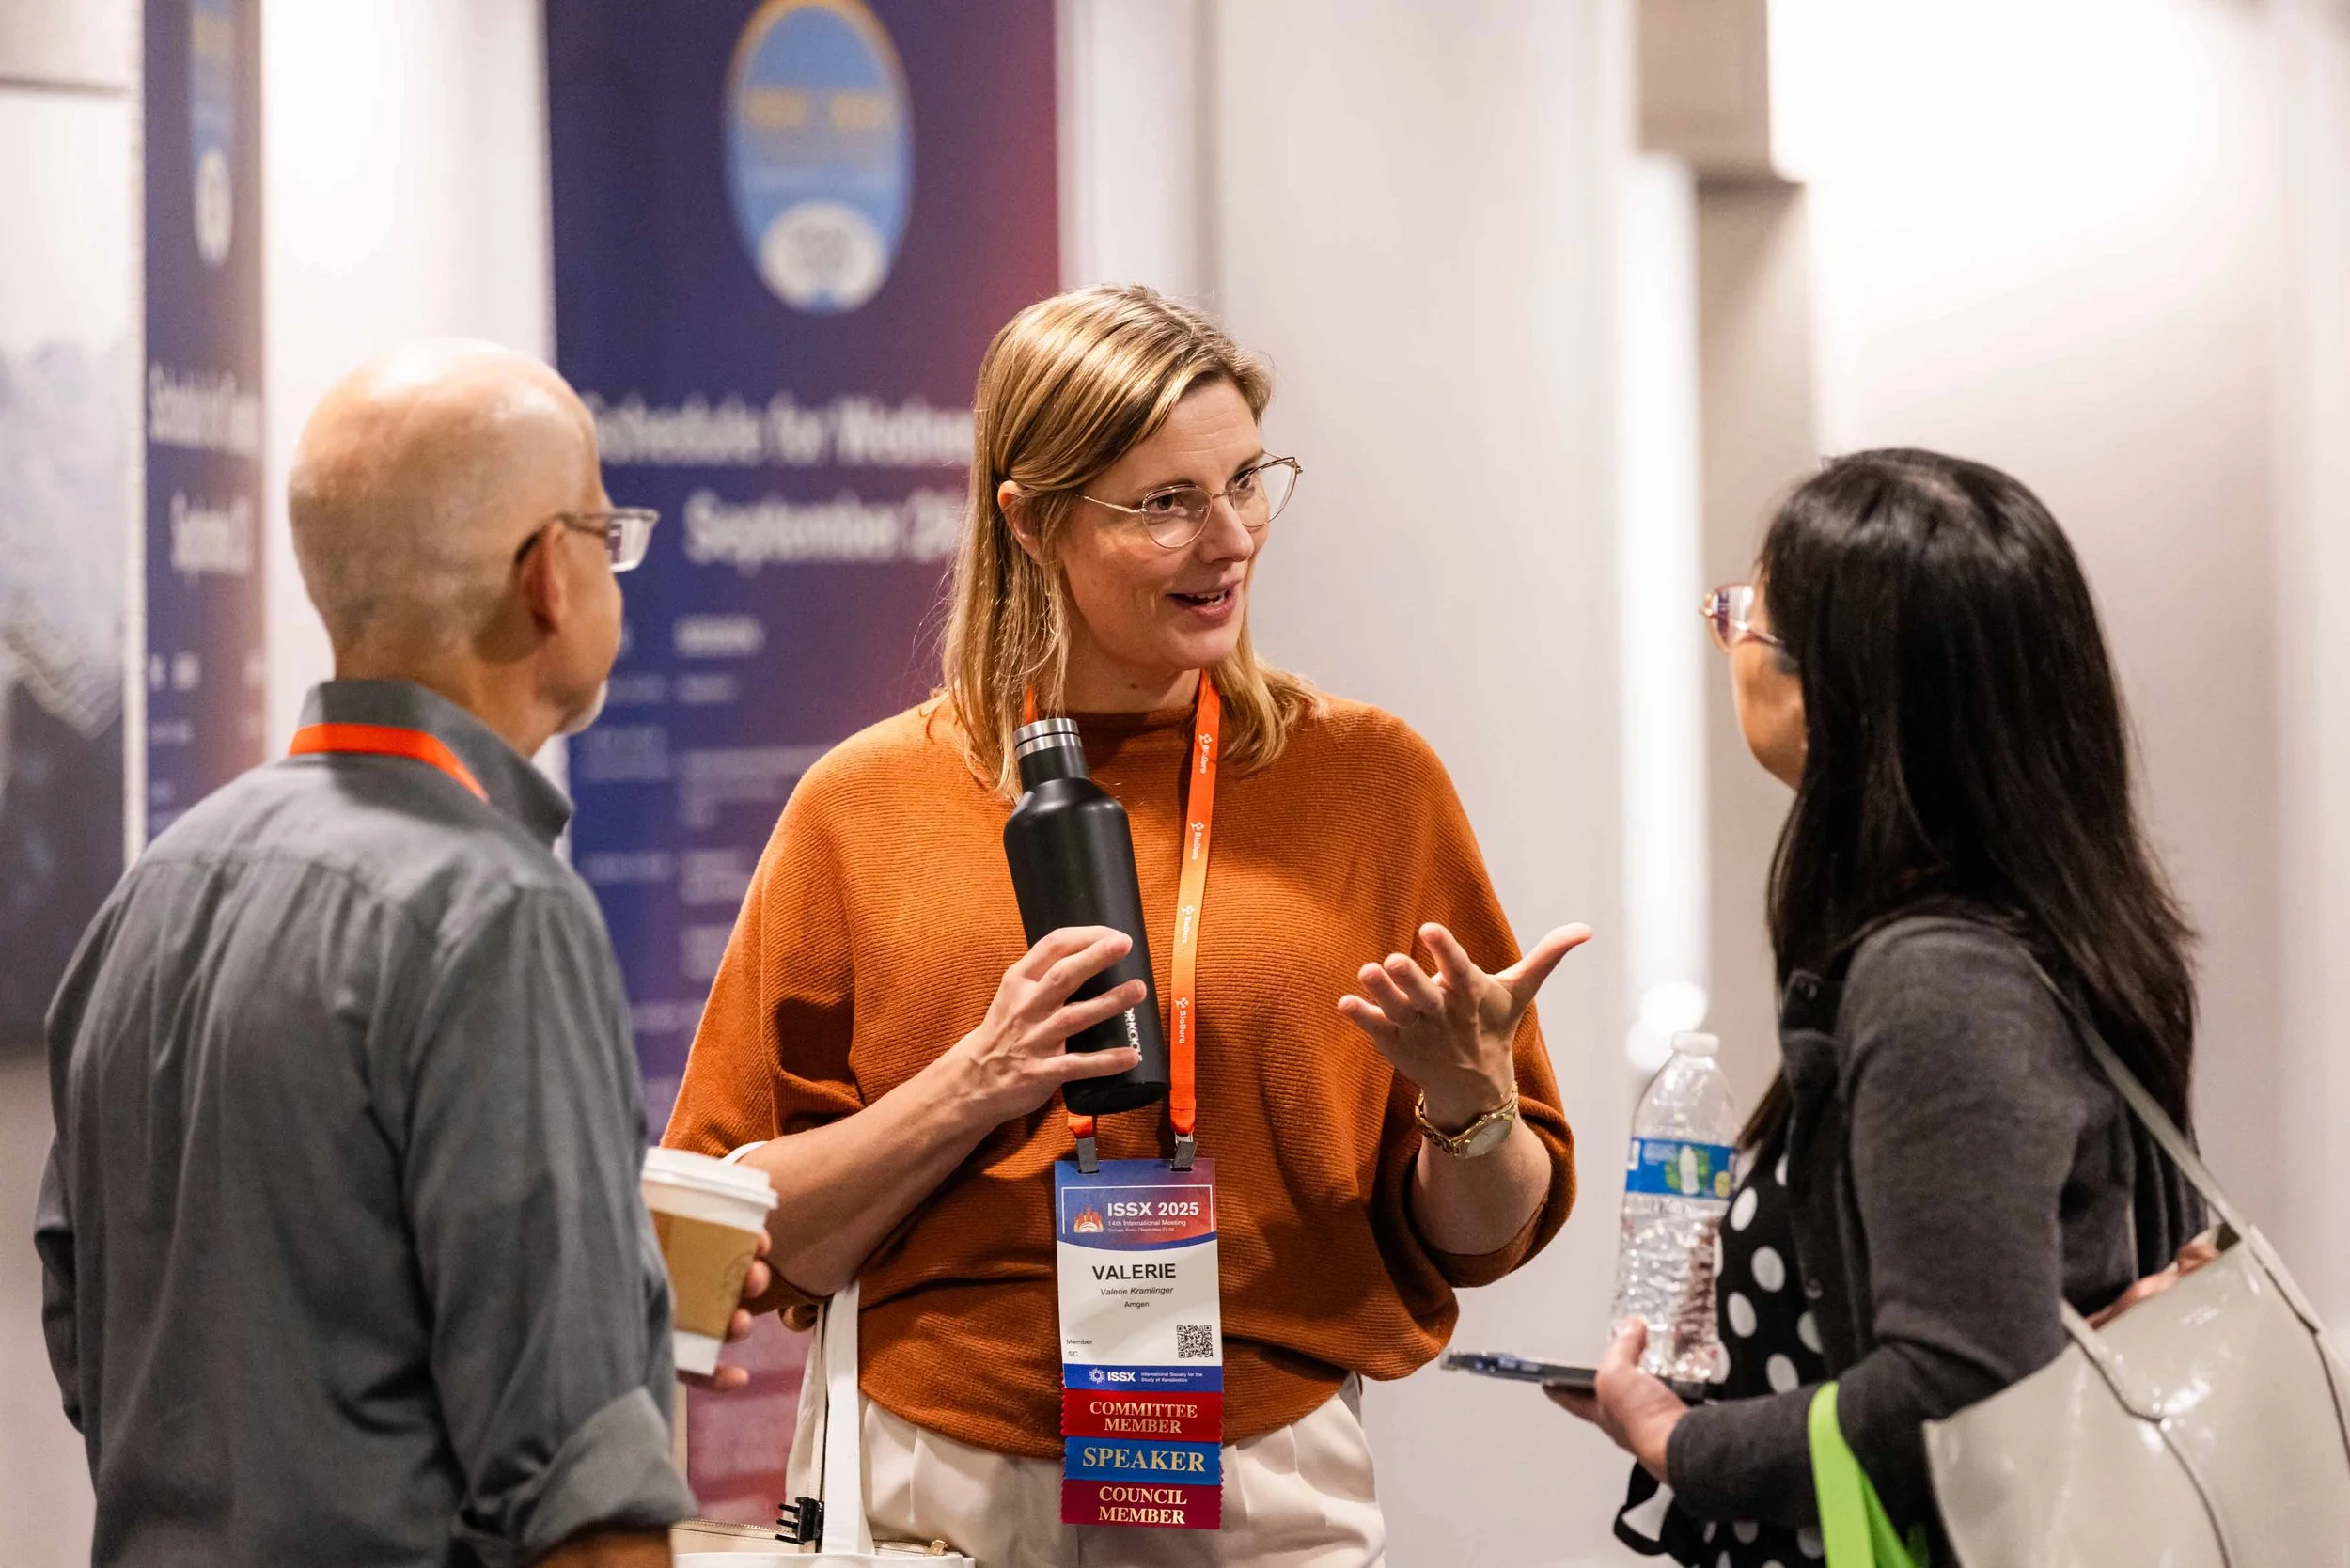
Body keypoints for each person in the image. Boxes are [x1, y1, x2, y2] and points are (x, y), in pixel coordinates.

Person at [664, 283, 1588, 1566]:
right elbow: (734, 1235)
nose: (1231, 540)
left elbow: (1490, 1234)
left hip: (1263, 1497)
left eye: (1247, 481)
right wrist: (978, 1084)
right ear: (1031, 522)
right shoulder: (863, 808)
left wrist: (1467, 1103)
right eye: (1165, 504)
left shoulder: (1373, 785)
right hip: (933, 1499)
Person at [35, 340, 765, 1568]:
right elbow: (582, 1504)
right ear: (549, 576)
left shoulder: (155, 889)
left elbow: (93, 1317)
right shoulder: (497, 911)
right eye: (605, 532)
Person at [1555, 448, 2208, 1565]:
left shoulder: (1939, 983)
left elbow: (1950, 1390)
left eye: (1745, 615)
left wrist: (1679, 1441)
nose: (1726, 641)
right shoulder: (2041, 927)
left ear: (1843, 691)